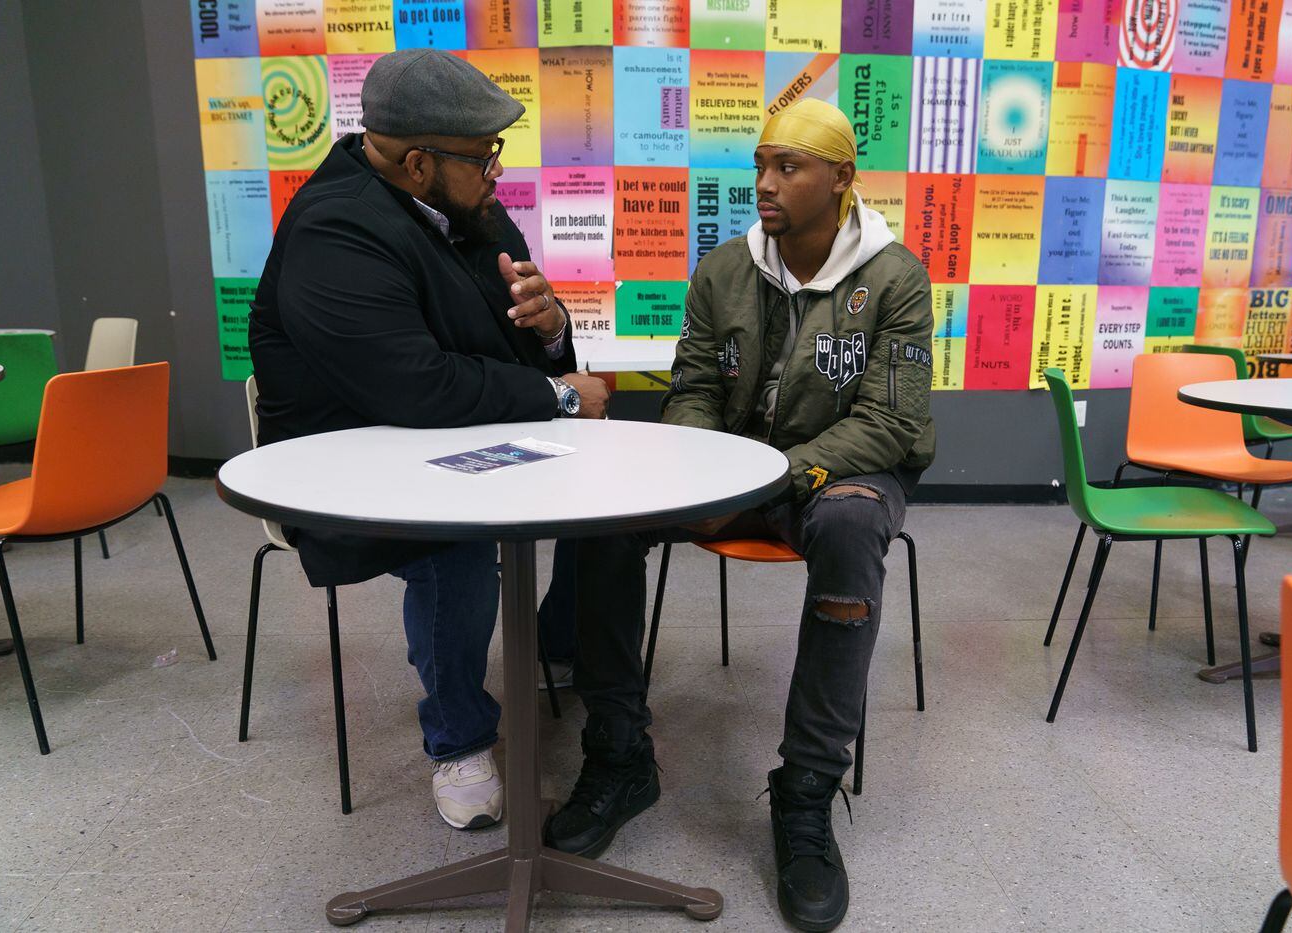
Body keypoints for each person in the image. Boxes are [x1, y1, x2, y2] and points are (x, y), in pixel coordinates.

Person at [544, 99, 934, 932]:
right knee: (605, 511)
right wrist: (700, 469)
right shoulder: (723, 269)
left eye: (789, 167)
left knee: (852, 527)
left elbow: (889, 421)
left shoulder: (896, 277)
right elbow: (692, 389)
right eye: (761, 165)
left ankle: (807, 789)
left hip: (839, 474)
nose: (765, 183)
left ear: (842, 177)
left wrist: (765, 480)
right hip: (727, 472)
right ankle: (618, 750)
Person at [249, 48, 608, 830]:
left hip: (454, 442)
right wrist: (556, 393)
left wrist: (551, 329)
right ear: (418, 164)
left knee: (608, 490)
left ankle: (560, 644)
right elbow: (417, 385)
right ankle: (460, 740)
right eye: (483, 156)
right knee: (457, 544)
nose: (497, 171)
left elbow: (510, 347)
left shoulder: (472, 208)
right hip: (349, 472)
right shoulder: (332, 232)